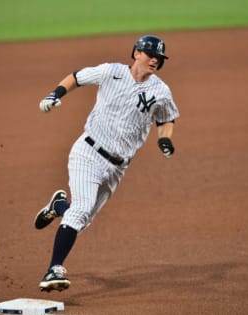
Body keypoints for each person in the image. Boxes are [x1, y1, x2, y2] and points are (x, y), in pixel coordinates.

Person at [34, 34, 180, 292]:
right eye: (150, 55)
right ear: (136, 53)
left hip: (117, 168)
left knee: (82, 219)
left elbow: (166, 119)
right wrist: (56, 94)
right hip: (88, 152)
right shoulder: (110, 72)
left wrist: (165, 140)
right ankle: (53, 269)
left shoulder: (161, 91)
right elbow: (76, 77)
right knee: (80, 211)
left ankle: (59, 206)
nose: (155, 60)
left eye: (159, 58)